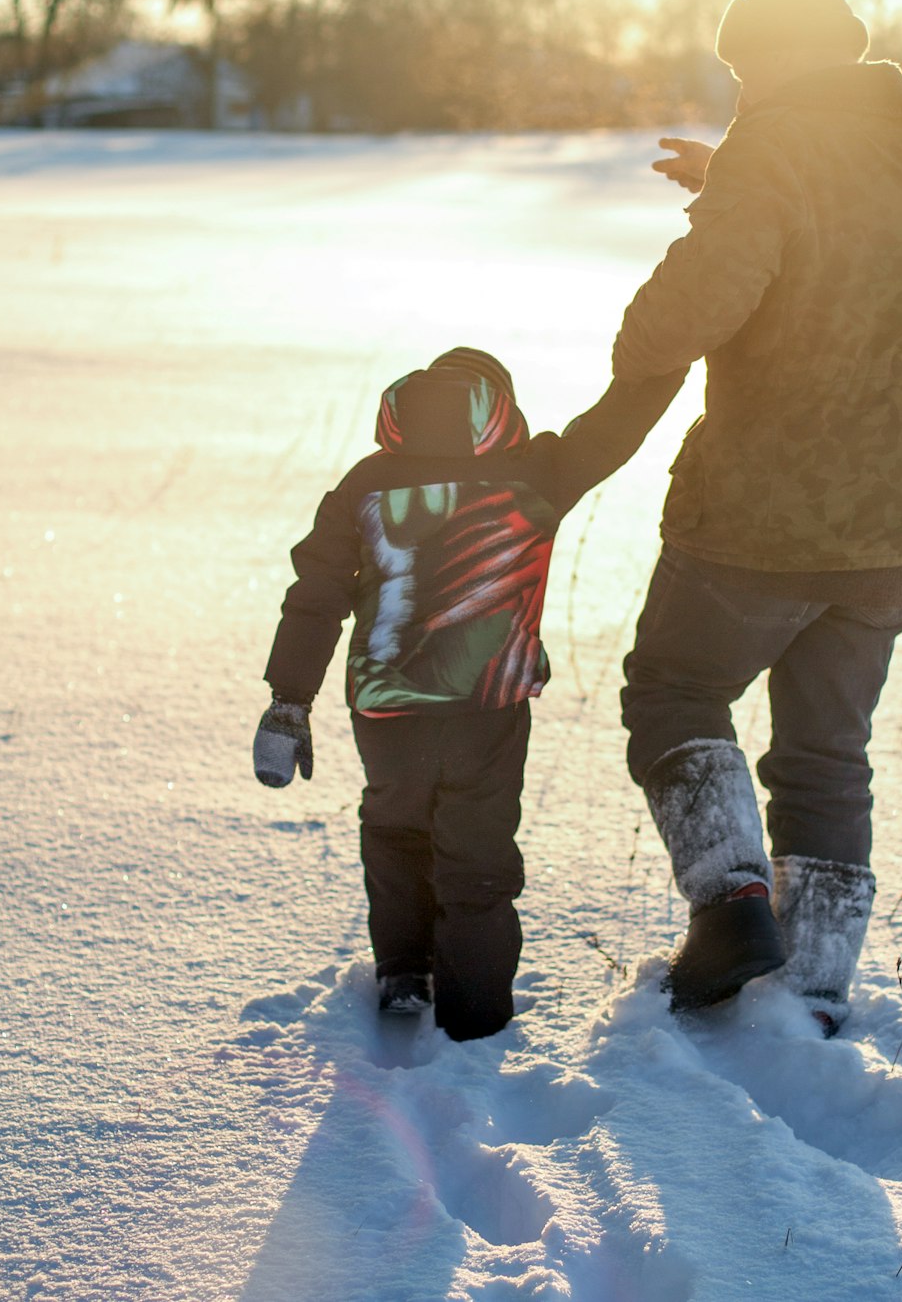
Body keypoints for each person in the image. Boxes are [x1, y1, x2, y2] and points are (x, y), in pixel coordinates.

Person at [612, 0, 902, 1034]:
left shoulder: (772, 149)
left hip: (768, 515)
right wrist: (734, 176)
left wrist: (724, 203)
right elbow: (843, 227)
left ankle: (729, 910)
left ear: (775, 59)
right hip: (897, 525)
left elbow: (682, 317)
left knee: (671, 688)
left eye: (744, 64)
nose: (738, 85)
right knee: (825, 749)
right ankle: (809, 993)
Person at [253, 348, 684, 1042]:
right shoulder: (534, 474)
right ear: (500, 408)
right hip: (488, 708)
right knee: (476, 859)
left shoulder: (366, 481)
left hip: (386, 711)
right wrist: (677, 350)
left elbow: (317, 592)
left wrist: (289, 698)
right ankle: (476, 1023)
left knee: (396, 827)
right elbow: (615, 426)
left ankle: (403, 971)